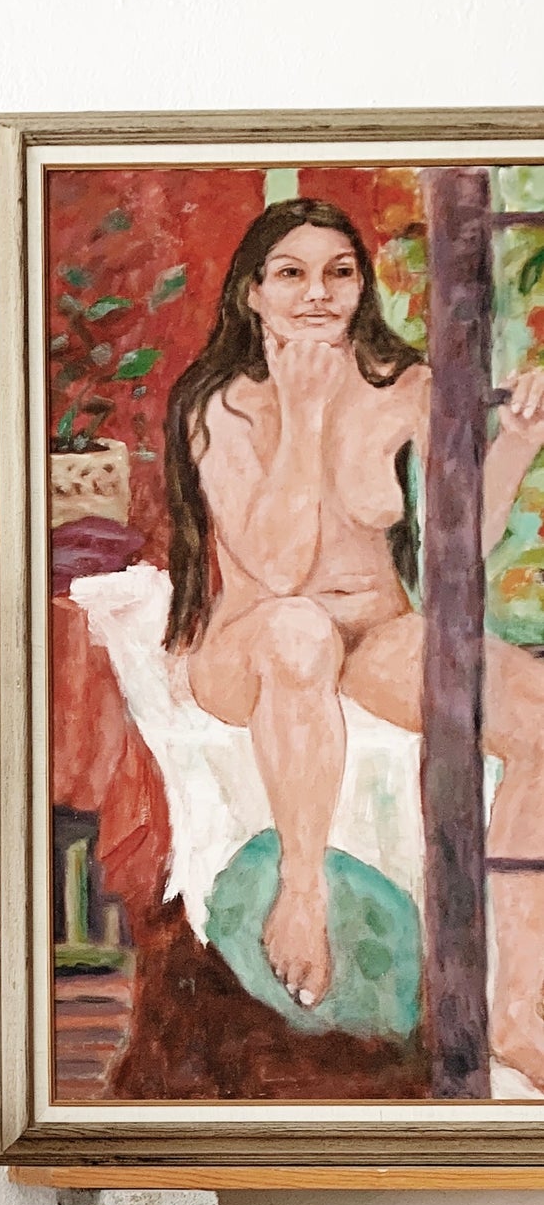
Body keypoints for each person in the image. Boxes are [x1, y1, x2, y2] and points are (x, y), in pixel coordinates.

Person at [164, 198, 544, 1082]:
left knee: (537, 713)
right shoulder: (222, 406)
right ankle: (302, 893)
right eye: (290, 274)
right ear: (252, 292)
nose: (317, 293)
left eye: (339, 272)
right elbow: (278, 566)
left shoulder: (402, 387)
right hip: (254, 642)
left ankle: (518, 1006)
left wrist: (521, 442)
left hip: (374, 630)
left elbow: (459, 543)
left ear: (361, 286)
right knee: (299, 631)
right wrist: (302, 414)